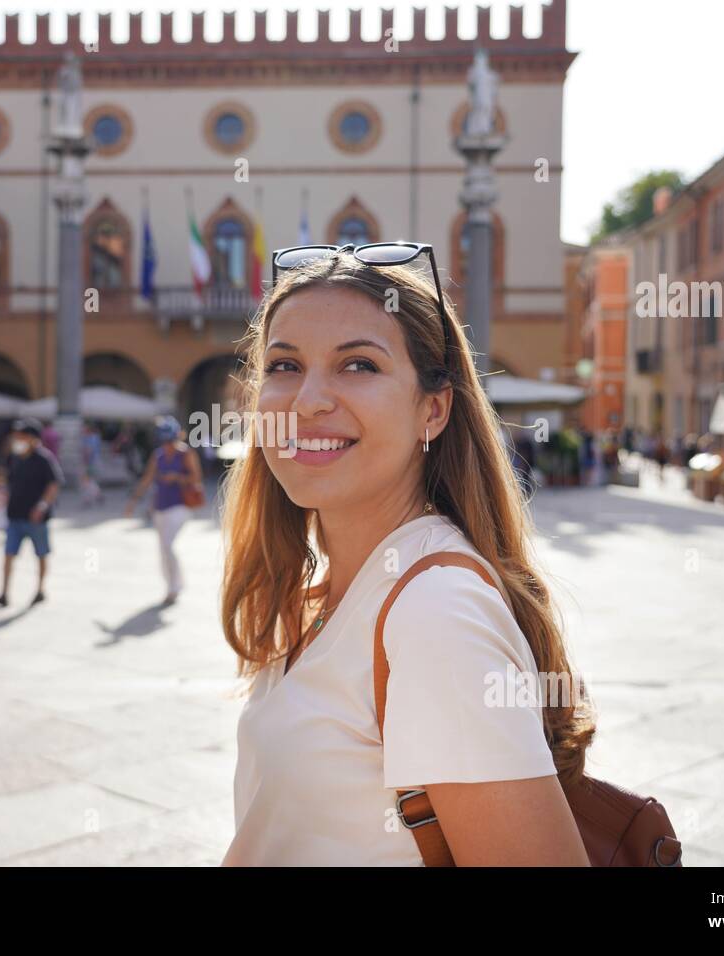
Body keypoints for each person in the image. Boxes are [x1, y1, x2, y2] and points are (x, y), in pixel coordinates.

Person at [218, 247, 591, 866]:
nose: (308, 399)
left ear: (433, 410)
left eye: (358, 364)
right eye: (284, 365)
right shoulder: (323, 596)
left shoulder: (433, 612)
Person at [124, 416, 202, 606]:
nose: (167, 445)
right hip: (160, 505)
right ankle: (171, 585)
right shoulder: (157, 455)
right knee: (163, 549)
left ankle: (176, 586)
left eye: (170, 441)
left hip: (180, 505)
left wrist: (176, 477)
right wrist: (133, 501)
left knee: (169, 546)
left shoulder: (186, 454)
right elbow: (147, 479)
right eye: (164, 441)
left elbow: (196, 478)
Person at [0, 418, 62, 607]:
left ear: (32, 438)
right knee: (8, 554)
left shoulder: (44, 458)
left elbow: (53, 484)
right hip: (15, 515)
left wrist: (41, 506)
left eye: (21, 436)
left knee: (41, 554)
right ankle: (4, 593)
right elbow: (6, 478)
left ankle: (40, 590)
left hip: (36, 519)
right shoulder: (14, 457)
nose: (16, 439)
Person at [79, 421, 104, 508]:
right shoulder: (95, 437)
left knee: (87, 481)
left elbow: (89, 450)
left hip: (90, 462)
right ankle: (97, 495)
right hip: (93, 461)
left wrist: (86, 462)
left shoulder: (90, 438)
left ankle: (89, 498)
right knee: (89, 480)